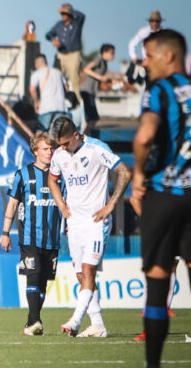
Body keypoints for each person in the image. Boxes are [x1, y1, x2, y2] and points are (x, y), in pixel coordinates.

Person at [126, 29, 191, 368]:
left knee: (158, 281)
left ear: (169, 56)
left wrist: (140, 174)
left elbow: (144, 136)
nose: (144, 62)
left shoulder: (159, 90)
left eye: (149, 55)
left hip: (164, 194)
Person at [46, 116, 131, 338]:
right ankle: (98, 325)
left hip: (96, 222)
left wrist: (111, 205)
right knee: (80, 276)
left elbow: (125, 172)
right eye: (60, 144)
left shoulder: (96, 149)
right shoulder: (60, 155)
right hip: (74, 223)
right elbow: (52, 181)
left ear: (76, 135)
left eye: (66, 143)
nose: (63, 148)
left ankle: (75, 320)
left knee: (88, 271)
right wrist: (61, 204)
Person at [0, 133, 64, 336]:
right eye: (45, 149)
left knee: (43, 282)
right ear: (35, 151)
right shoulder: (23, 175)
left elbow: (68, 203)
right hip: (29, 237)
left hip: (52, 238)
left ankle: (31, 323)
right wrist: (5, 233)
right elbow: (12, 204)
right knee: (33, 276)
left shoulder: (61, 176)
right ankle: (36, 321)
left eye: (52, 148)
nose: (50, 152)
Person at [44, 3, 85, 105]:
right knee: (56, 77)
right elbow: (48, 35)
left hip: (73, 54)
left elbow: (82, 16)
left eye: (64, 13)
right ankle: (58, 100)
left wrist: (69, 10)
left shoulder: (76, 23)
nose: (62, 15)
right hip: (61, 54)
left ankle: (77, 103)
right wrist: (54, 40)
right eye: (61, 13)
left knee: (74, 79)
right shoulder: (59, 25)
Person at [80, 44, 116, 136]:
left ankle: (84, 136)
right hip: (87, 90)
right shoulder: (99, 59)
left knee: (90, 119)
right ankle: (83, 137)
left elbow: (101, 78)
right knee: (94, 118)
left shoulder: (105, 63)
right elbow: (86, 69)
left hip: (91, 92)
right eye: (112, 53)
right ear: (104, 52)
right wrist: (100, 77)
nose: (114, 55)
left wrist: (110, 81)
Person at [29, 54, 69, 132]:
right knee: (58, 133)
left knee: (43, 133)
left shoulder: (36, 74)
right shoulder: (58, 72)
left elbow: (32, 89)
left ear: (36, 64)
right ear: (46, 62)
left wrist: (36, 102)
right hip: (61, 107)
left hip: (46, 107)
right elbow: (67, 88)